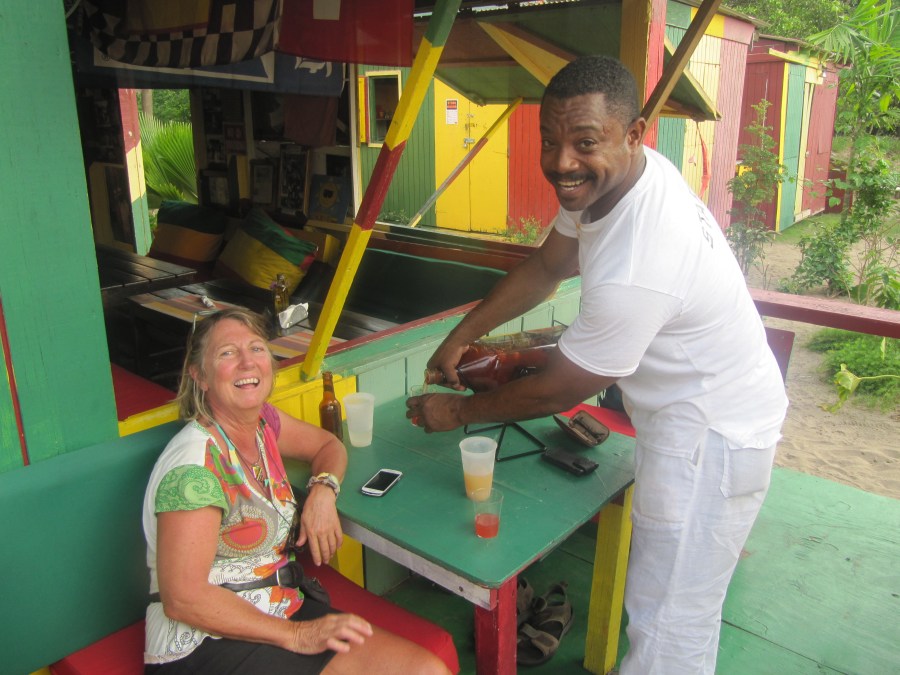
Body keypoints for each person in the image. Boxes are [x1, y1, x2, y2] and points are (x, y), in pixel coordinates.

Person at [407, 55, 788, 674]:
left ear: (634, 134)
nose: (562, 163)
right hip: (688, 410)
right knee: (668, 601)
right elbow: (549, 265)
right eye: (549, 141)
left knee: (670, 618)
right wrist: (462, 336)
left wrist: (455, 412)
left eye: (584, 143)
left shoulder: (640, 259)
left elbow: (560, 390)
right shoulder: (612, 182)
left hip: (711, 434)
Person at [143, 308, 449, 674]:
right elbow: (184, 599)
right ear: (200, 375)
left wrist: (323, 491)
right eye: (227, 353)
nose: (247, 363)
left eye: (256, 348)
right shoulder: (193, 469)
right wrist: (297, 635)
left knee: (425, 670)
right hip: (204, 641)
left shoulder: (262, 424)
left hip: (277, 605)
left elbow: (328, 446)